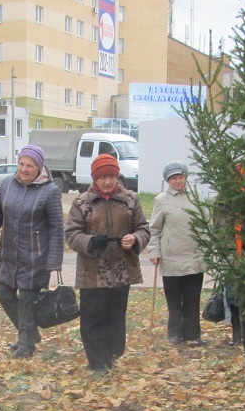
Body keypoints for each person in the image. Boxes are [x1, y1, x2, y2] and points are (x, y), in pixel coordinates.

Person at [65, 153, 150, 372]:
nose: (108, 181)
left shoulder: (130, 199)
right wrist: (91, 242)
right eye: (103, 177)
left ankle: (112, 355)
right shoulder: (82, 202)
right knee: (93, 318)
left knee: (116, 318)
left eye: (112, 176)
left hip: (122, 271)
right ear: (95, 179)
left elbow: (143, 228)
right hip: (92, 272)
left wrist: (136, 239)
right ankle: (97, 362)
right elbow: (72, 234)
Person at [0, 145, 64, 358]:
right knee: (4, 293)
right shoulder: (7, 184)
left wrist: (54, 260)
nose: (24, 169)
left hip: (36, 257)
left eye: (30, 165)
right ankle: (30, 333)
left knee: (26, 302)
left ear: (39, 167)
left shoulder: (50, 191)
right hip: (9, 254)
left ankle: (26, 345)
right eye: (22, 164)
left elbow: (56, 228)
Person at [147, 161, 205, 345]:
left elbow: (206, 223)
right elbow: (154, 229)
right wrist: (154, 251)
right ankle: (174, 333)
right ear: (168, 181)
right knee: (174, 300)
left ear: (185, 178)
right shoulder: (161, 200)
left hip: (194, 257)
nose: (178, 181)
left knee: (192, 298)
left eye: (180, 177)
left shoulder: (196, 196)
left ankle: (193, 334)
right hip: (171, 257)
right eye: (174, 178)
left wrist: (208, 248)